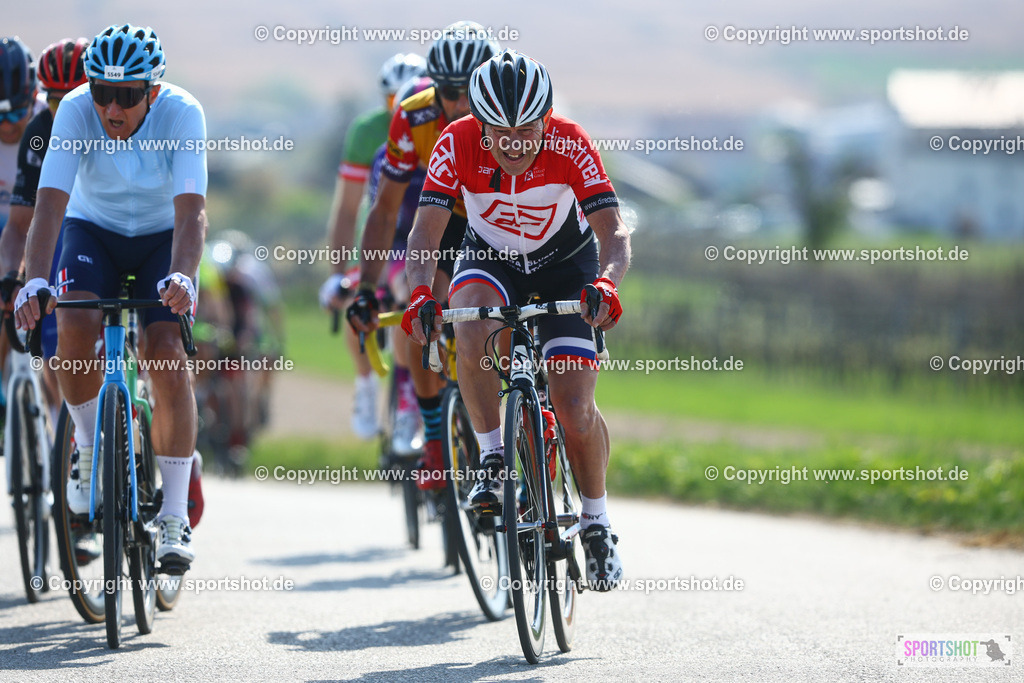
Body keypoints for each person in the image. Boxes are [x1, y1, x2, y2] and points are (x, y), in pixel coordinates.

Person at [402, 50, 631, 590]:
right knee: (470, 321)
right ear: (477, 123)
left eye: (526, 131)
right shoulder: (454, 142)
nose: (513, 145)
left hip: (565, 266)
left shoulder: (570, 142)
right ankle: (493, 458)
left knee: (575, 406)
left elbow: (614, 234)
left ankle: (596, 522)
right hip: (491, 258)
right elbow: (424, 236)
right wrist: (417, 293)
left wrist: (606, 285)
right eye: (499, 132)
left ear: (546, 120)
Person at [14, 24, 208, 571]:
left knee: (166, 352)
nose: (112, 108)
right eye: (103, 92)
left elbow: (191, 213)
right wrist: (34, 279)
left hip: (159, 240)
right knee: (73, 326)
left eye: (126, 96)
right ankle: (87, 445)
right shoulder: (75, 109)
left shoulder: (182, 113)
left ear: (152, 90)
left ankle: (173, 512)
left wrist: (183, 277)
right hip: (91, 229)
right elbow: (49, 205)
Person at [348, 21, 499, 492]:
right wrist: (369, 288)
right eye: (447, 91)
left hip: (500, 216)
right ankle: (434, 439)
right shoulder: (413, 115)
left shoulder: (509, 107)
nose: (457, 104)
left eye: (468, 89)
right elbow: (385, 208)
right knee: (420, 302)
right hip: (445, 215)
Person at [321, 53, 426, 441]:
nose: (400, 108)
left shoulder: (437, 126)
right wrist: (337, 275)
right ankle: (367, 385)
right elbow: (348, 210)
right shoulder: (369, 133)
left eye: (412, 97)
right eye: (390, 101)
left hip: (428, 239)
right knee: (356, 297)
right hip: (389, 241)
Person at [1, 38, 90, 420]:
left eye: (76, 99)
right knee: (52, 331)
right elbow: (23, 223)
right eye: (56, 103)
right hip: (50, 228)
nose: (66, 112)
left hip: (94, 231)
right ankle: (62, 423)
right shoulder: (39, 132)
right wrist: (11, 276)